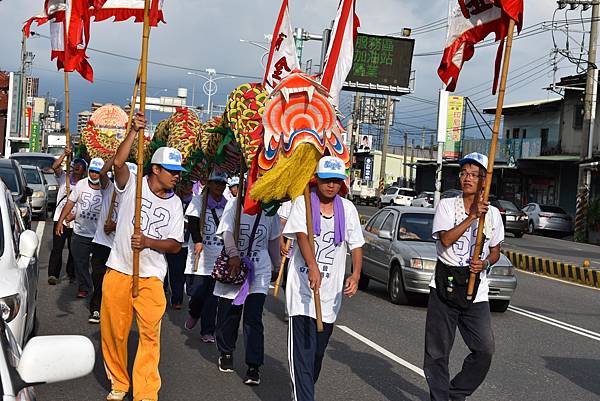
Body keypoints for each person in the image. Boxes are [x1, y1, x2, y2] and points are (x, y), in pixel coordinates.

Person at [101, 113, 184, 401]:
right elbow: (119, 164)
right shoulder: (133, 184)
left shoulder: (176, 204)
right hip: (119, 269)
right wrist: (134, 132)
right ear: (155, 169)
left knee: (150, 336)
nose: (177, 176)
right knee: (115, 333)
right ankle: (119, 383)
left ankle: (146, 392)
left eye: (179, 172)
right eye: (172, 170)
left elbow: (175, 245)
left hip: (151, 277)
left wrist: (148, 241)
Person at [283, 156, 364, 401]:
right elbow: (302, 236)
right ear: (316, 179)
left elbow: (357, 244)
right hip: (302, 292)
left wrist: (356, 274)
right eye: (327, 180)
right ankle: (303, 395)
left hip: (329, 296)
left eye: (336, 181)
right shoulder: (303, 203)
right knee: (302, 356)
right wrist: (311, 265)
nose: (331, 185)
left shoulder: (347, 209)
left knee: (316, 353)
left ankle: (303, 386)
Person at [424, 152, 504, 401]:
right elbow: (446, 239)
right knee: (437, 353)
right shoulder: (448, 205)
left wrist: (485, 263)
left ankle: (455, 393)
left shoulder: (493, 215)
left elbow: (496, 251)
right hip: (444, 285)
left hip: (475, 288)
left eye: (474, 175)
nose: (467, 178)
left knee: (484, 349)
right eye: (464, 173)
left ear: (484, 181)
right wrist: (472, 217)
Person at [213, 189, 281, 386]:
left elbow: (273, 241)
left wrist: (276, 266)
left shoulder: (271, 209)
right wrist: (233, 254)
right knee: (230, 314)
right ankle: (226, 351)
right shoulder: (234, 205)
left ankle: (253, 366)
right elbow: (226, 232)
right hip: (234, 267)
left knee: (253, 318)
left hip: (259, 270)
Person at [87, 161, 136, 324]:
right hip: (102, 242)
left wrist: (115, 225)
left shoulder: (136, 197)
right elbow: (101, 174)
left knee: (115, 284)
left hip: (120, 246)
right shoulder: (109, 188)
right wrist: (116, 155)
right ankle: (95, 308)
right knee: (98, 277)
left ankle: (113, 311)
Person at [183, 170, 228, 343]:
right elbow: (193, 222)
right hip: (201, 255)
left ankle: (207, 330)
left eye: (222, 183)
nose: (219, 186)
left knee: (212, 297)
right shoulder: (198, 201)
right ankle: (194, 312)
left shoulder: (228, 204)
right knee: (198, 293)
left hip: (219, 256)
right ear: (208, 183)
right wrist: (198, 240)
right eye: (216, 182)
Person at [56, 157, 108, 298]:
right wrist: (61, 220)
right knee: (80, 262)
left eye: (97, 172)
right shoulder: (81, 185)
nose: (94, 175)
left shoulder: (107, 188)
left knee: (98, 267)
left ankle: (98, 289)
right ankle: (84, 286)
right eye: (92, 171)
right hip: (80, 232)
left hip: (99, 235)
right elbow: (70, 203)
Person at [47, 147, 85, 285]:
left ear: (84, 171)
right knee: (57, 248)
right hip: (60, 219)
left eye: (80, 167)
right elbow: (55, 166)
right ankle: (53, 274)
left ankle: (71, 274)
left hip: (75, 221)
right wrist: (64, 154)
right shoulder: (64, 178)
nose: (77, 168)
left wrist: (74, 216)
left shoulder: (84, 185)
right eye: (75, 166)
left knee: (73, 250)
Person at [166, 184, 192, 309]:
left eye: (190, 184)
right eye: (186, 184)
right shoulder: (171, 200)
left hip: (188, 245)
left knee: (184, 273)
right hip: (172, 242)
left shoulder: (195, 202)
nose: (187, 187)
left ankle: (182, 294)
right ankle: (176, 299)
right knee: (175, 271)